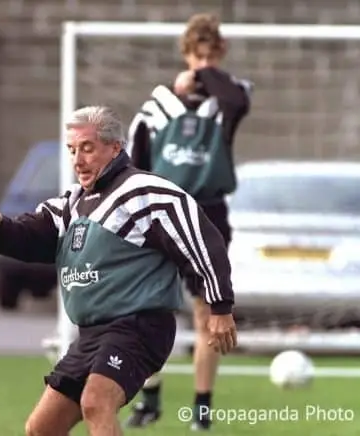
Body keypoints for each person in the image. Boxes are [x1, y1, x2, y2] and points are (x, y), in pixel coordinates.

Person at [0, 105, 238, 436]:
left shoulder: (144, 193)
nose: (78, 160)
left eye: (87, 148)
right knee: (42, 427)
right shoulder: (71, 202)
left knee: (96, 402)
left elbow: (201, 240)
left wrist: (220, 305)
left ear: (115, 148)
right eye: (72, 150)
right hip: (92, 334)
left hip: (139, 326)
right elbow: (31, 236)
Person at [124, 13, 252, 431]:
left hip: (209, 213)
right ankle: (151, 396)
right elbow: (136, 162)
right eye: (198, 55)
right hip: (160, 214)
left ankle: (201, 407)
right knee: (144, 308)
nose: (204, 63)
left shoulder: (227, 98)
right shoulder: (157, 106)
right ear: (185, 53)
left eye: (212, 55)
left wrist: (205, 74)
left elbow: (235, 102)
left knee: (207, 313)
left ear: (221, 55)